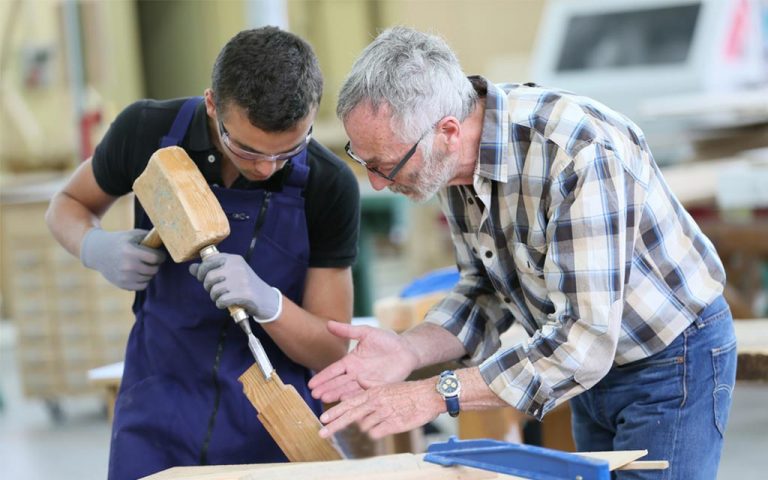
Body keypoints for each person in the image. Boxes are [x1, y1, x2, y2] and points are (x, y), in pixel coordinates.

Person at [308, 26, 736, 479]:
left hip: (670, 357)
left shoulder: (578, 154)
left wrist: (437, 393)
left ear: (448, 131)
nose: (377, 182)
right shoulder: (446, 162)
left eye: (385, 166)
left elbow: (583, 343)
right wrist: (408, 350)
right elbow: (484, 290)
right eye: (364, 161)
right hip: (588, 367)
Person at [46, 27, 359, 479]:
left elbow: (331, 350)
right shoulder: (147, 132)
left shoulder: (328, 186)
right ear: (213, 105)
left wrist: (268, 303)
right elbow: (67, 206)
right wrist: (94, 247)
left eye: (290, 148)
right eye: (247, 149)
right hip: (157, 411)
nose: (266, 167)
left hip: (270, 423)